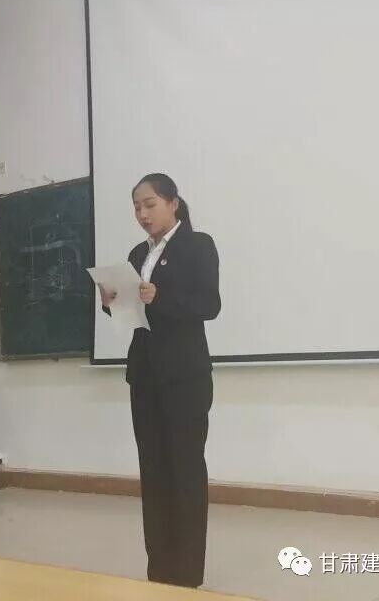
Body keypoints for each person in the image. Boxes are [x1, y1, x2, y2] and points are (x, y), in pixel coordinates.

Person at [99, 172, 221, 588]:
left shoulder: (198, 245)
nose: (142, 214)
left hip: (184, 376)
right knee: (153, 471)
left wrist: (160, 297)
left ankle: (187, 574)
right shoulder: (138, 252)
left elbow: (209, 304)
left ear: (173, 203)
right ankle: (159, 570)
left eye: (149, 204)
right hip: (145, 374)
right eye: (136, 207)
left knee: (185, 470)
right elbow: (132, 311)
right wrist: (111, 300)